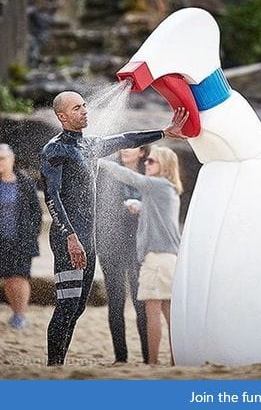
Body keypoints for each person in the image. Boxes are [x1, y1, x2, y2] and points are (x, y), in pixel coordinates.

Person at [40, 91, 188, 366]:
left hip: (89, 239)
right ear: (62, 117)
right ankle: (54, 366)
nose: (85, 111)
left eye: (85, 105)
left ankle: (57, 363)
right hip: (67, 239)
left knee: (78, 307)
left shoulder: (90, 145)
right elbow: (52, 196)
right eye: (77, 108)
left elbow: (126, 138)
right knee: (67, 305)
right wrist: (71, 237)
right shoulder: (55, 149)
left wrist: (164, 132)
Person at [99, 145, 183, 365]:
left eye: (151, 161)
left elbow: (128, 176)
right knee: (162, 310)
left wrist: (97, 159)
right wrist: (139, 205)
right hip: (152, 255)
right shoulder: (164, 188)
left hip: (157, 257)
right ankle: (166, 362)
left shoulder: (158, 185)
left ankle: (154, 363)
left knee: (153, 310)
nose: (147, 164)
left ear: (164, 165)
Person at [95, 146, 150, 364]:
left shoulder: (150, 173)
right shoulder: (108, 173)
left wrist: (142, 208)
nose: (126, 150)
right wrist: (122, 208)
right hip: (112, 246)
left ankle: (149, 357)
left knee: (141, 303)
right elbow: (100, 207)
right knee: (116, 303)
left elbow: (161, 205)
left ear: (143, 152)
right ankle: (121, 357)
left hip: (140, 248)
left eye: (133, 146)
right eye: (124, 146)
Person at [0, 143, 42, 330]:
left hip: (20, 240)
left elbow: (36, 213)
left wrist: (31, 235)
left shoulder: (24, 183)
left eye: (2, 159)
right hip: (1, 241)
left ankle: (19, 315)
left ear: (12, 159)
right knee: (8, 279)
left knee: (19, 277)